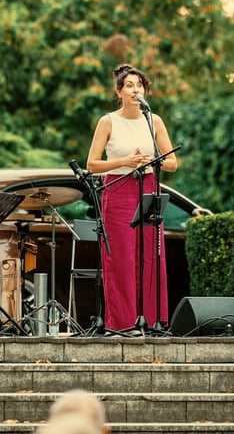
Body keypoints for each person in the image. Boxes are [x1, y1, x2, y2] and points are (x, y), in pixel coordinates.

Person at [86, 63, 178, 331]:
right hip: (118, 188)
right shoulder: (108, 121)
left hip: (148, 185)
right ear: (119, 91)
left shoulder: (154, 121)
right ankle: (122, 324)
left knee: (150, 257)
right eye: (129, 85)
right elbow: (92, 164)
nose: (135, 89)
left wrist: (153, 160)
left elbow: (173, 163)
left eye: (139, 85)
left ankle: (152, 320)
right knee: (123, 260)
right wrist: (125, 161)